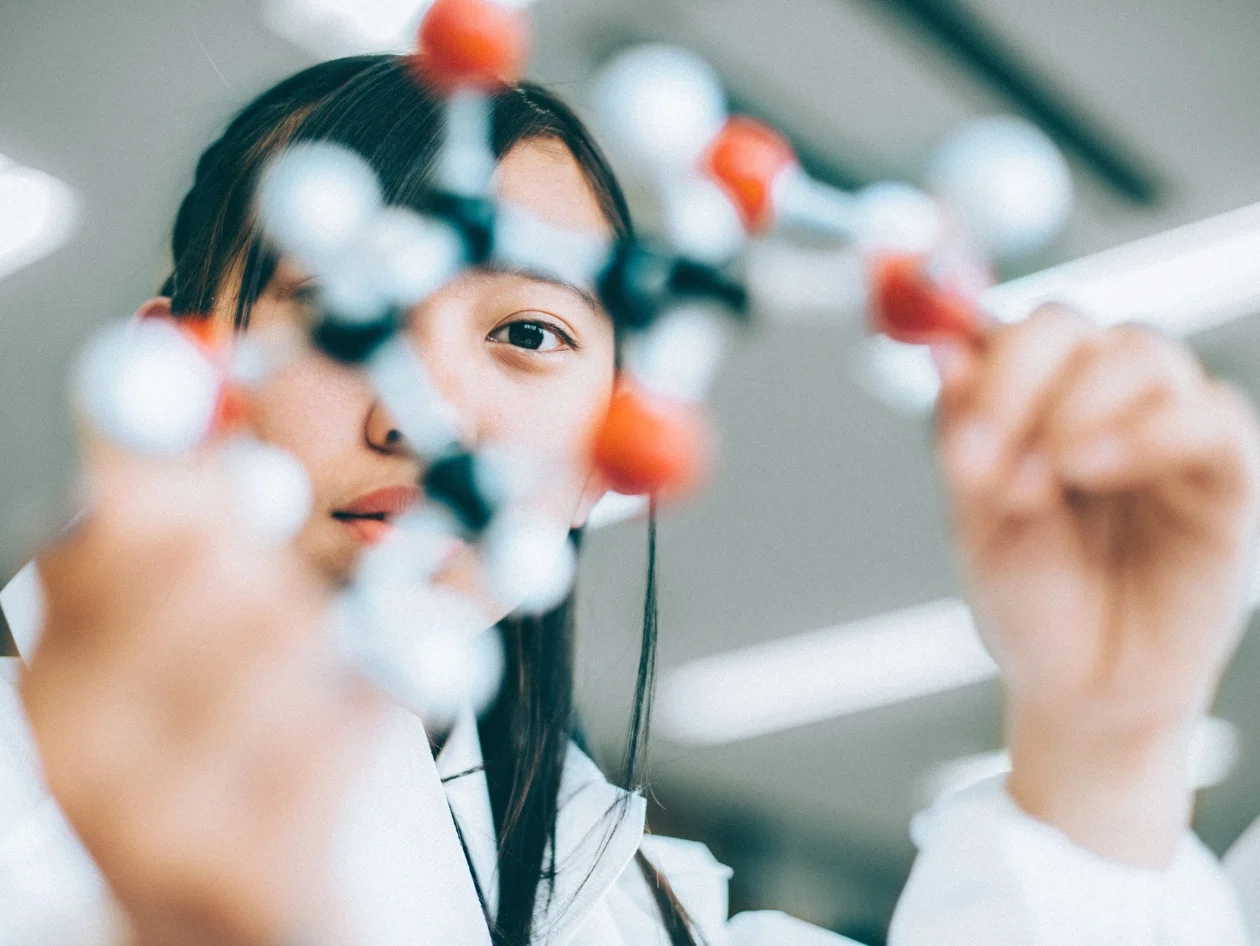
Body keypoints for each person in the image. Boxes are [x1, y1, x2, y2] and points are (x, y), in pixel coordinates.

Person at [2, 54, 1258, 946]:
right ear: (172, 370)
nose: (427, 417)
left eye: (531, 333)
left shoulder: (650, 906)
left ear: (614, 446)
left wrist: (1104, 751)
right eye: (341, 309)